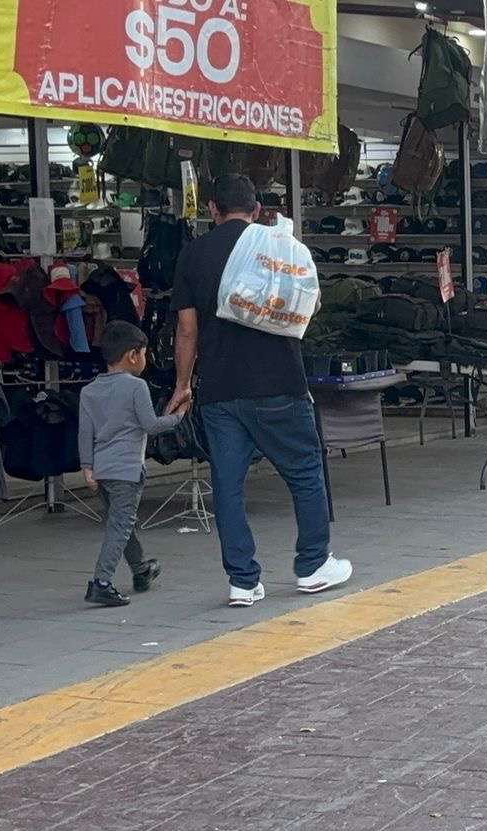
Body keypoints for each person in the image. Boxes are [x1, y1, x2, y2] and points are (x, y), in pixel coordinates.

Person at [169, 174, 352, 607]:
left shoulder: (193, 253)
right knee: (305, 471)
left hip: (220, 388)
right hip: (279, 382)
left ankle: (242, 581)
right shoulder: (279, 247)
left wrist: (182, 385)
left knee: (227, 485)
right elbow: (309, 305)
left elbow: (187, 328)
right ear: (256, 210)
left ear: (212, 209)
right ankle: (312, 565)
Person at [78, 323, 180, 607]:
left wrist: (87, 467)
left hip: (101, 470)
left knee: (121, 522)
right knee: (120, 527)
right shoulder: (137, 387)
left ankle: (140, 569)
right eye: (144, 354)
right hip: (126, 471)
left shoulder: (89, 391)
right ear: (133, 355)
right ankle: (101, 582)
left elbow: (85, 432)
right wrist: (178, 416)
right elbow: (150, 424)